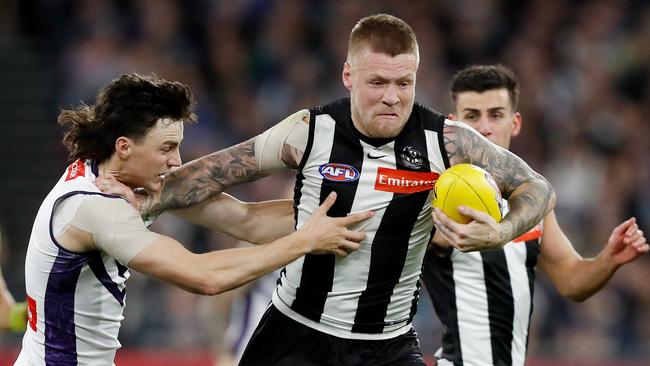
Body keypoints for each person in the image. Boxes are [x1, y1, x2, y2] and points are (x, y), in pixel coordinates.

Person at [115, 14, 555, 365]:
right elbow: (210, 173)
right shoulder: (308, 133)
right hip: (296, 331)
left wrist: (500, 231)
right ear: (348, 76)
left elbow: (537, 188)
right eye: (377, 83)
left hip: (387, 344)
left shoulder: (447, 142)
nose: (392, 97)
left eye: (404, 83)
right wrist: (145, 198)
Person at [14, 73, 372, 366]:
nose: (176, 161)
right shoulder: (94, 208)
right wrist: (305, 242)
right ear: (124, 147)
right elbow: (205, 277)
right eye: (166, 148)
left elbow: (251, 222)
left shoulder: (130, 185)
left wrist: (364, 209)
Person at [422, 64, 648, 366]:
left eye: (496, 115)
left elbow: (570, 279)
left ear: (515, 123)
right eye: (472, 116)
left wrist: (609, 260)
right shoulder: (439, 194)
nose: (485, 128)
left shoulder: (530, 202)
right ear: (454, 125)